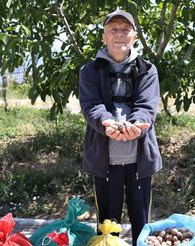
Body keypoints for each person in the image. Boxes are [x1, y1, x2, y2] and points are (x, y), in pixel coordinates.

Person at [78, 9, 162, 245]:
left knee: (142, 223)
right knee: (107, 224)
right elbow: (91, 105)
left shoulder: (148, 69)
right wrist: (106, 123)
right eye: (113, 29)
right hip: (105, 162)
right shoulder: (89, 71)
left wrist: (137, 125)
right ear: (104, 37)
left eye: (125, 29)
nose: (119, 34)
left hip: (139, 160)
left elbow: (147, 106)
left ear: (134, 36)